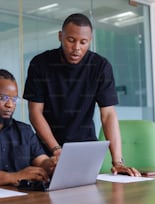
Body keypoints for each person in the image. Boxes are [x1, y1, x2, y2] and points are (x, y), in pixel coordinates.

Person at [23, 13, 141, 177]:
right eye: (71, 40)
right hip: (46, 151)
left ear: (90, 40)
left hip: (85, 148)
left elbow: (108, 115)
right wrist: (56, 149)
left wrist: (117, 162)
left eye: (83, 42)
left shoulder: (100, 66)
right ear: (60, 36)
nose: (76, 47)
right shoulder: (40, 64)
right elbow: (35, 112)